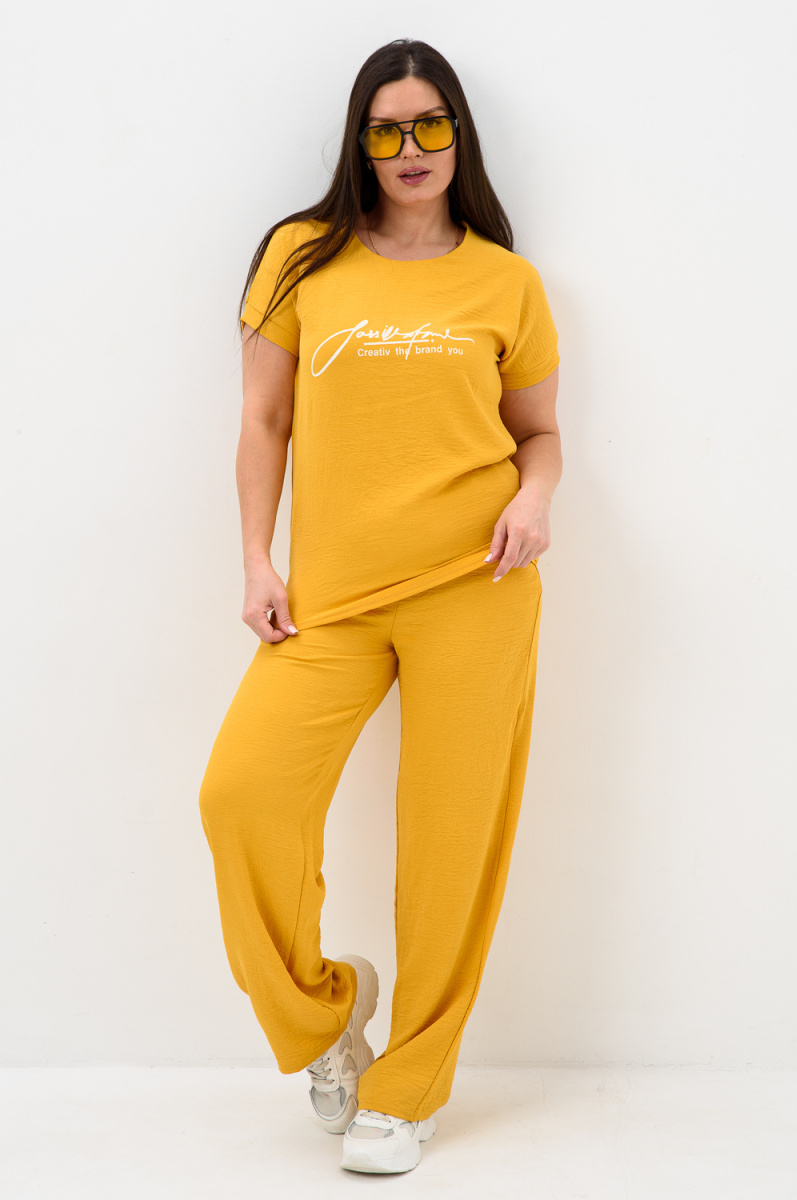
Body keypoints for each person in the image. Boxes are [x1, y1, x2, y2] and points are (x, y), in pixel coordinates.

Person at [198, 37, 562, 1176]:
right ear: (361, 142)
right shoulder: (300, 258)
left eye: (431, 125)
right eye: (387, 129)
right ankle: (325, 1019)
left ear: (459, 136)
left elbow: (539, 434)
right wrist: (256, 560)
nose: (411, 149)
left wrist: (535, 499)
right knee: (241, 797)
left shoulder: (505, 282)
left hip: (477, 587)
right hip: (334, 600)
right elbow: (264, 421)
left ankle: (407, 1090)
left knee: (449, 850)